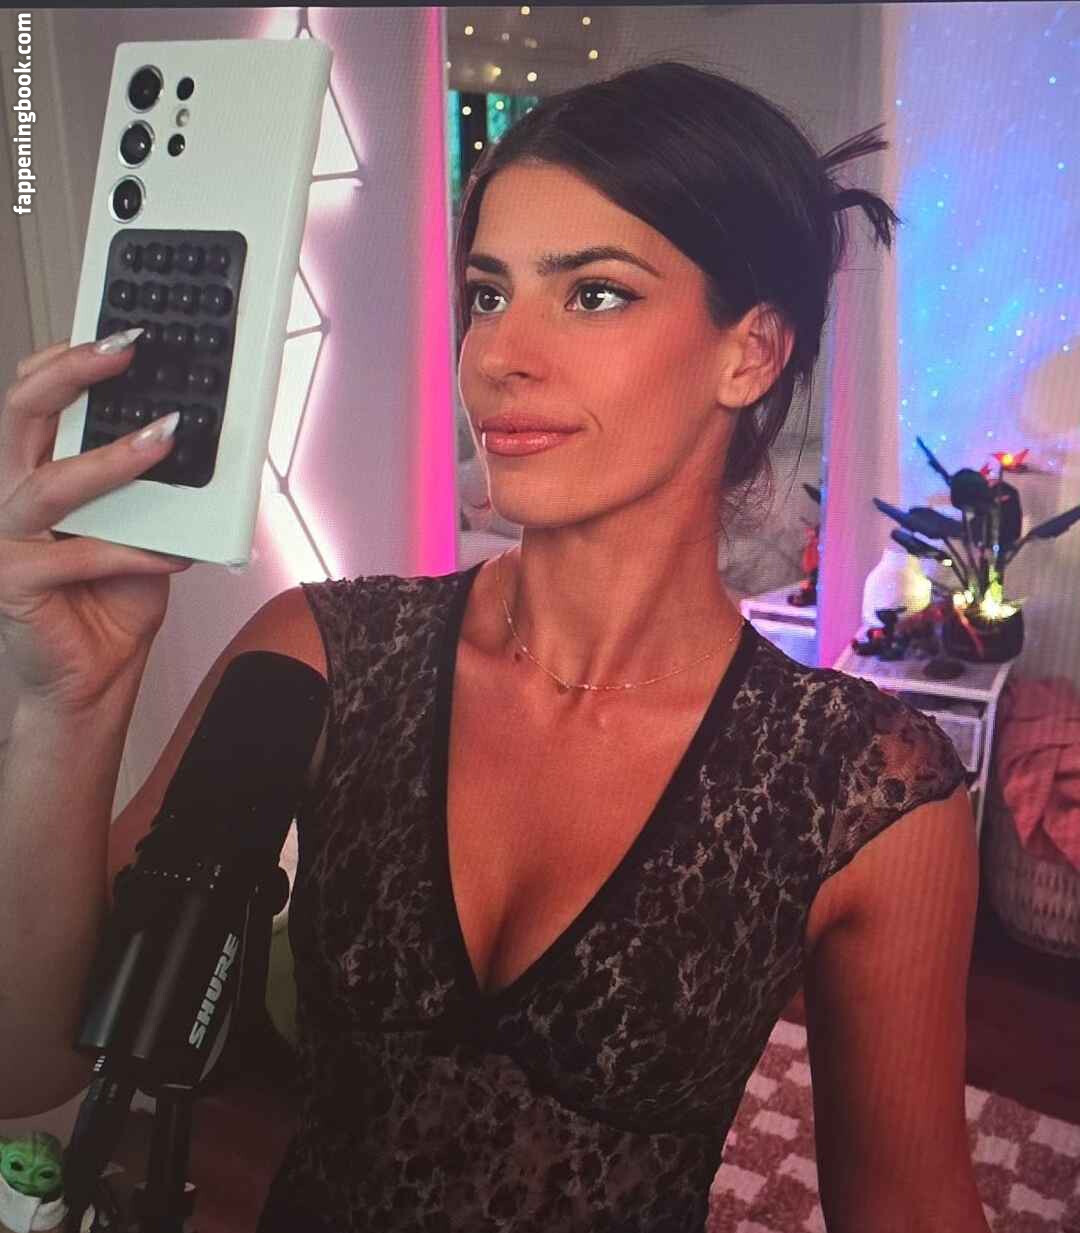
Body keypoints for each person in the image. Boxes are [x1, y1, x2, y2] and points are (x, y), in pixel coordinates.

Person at [0, 58, 992, 1233]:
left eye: (594, 294)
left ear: (751, 353)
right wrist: (67, 706)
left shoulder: (868, 794)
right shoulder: (323, 654)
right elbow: (30, 1064)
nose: (499, 355)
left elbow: (910, 1208)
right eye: (486, 293)